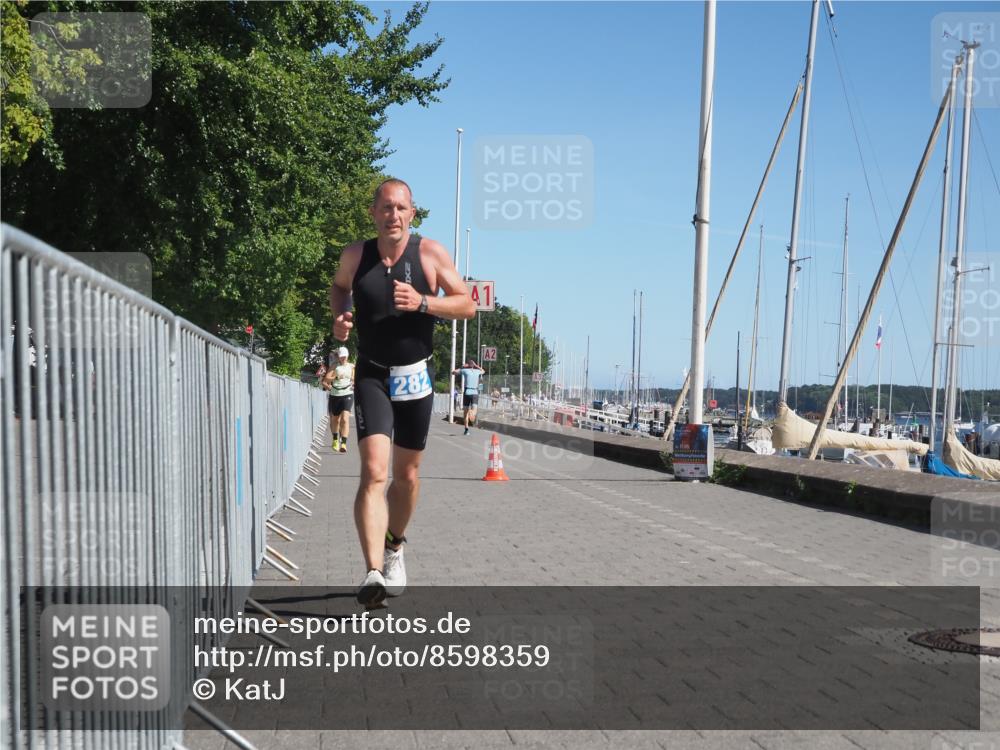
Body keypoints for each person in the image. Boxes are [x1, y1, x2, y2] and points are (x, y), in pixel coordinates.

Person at [330, 178, 475, 607]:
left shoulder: (429, 254)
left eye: (401, 208)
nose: (393, 215)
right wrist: (341, 316)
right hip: (372, 374)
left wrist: (424, 303)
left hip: (416, 376)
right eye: (386, 207)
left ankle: (395, 546)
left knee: (407, 476)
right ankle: (373, 571)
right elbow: (340, 289)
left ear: (413, 213)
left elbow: (466, 304)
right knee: (374, 473)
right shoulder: (356, 256)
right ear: (373, 213)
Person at [322, 347, 355, 453]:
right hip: (335, 394)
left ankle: (344, 444)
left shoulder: (351, 366)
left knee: (345, 418)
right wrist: (335, 377)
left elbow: (354, 378)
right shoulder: (334, 366)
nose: (343, 359)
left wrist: (354, 382)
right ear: (339, 357)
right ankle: (335, 439)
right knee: (335, 420)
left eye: (345, 357)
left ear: (347, 356)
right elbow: (326, 379)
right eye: (341, 357)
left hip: (347, 394)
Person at [452, 359, 485, 435]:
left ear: (468, 365)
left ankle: (466, 429)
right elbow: (483, 371)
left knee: (465, 413)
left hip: (467, 392)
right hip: (475, 392)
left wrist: (462, 367)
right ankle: (472, 412)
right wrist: (476, 365)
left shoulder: (465, 370)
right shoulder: (477, 372)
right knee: (474, 411)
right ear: (474, 365)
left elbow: (453, 372)